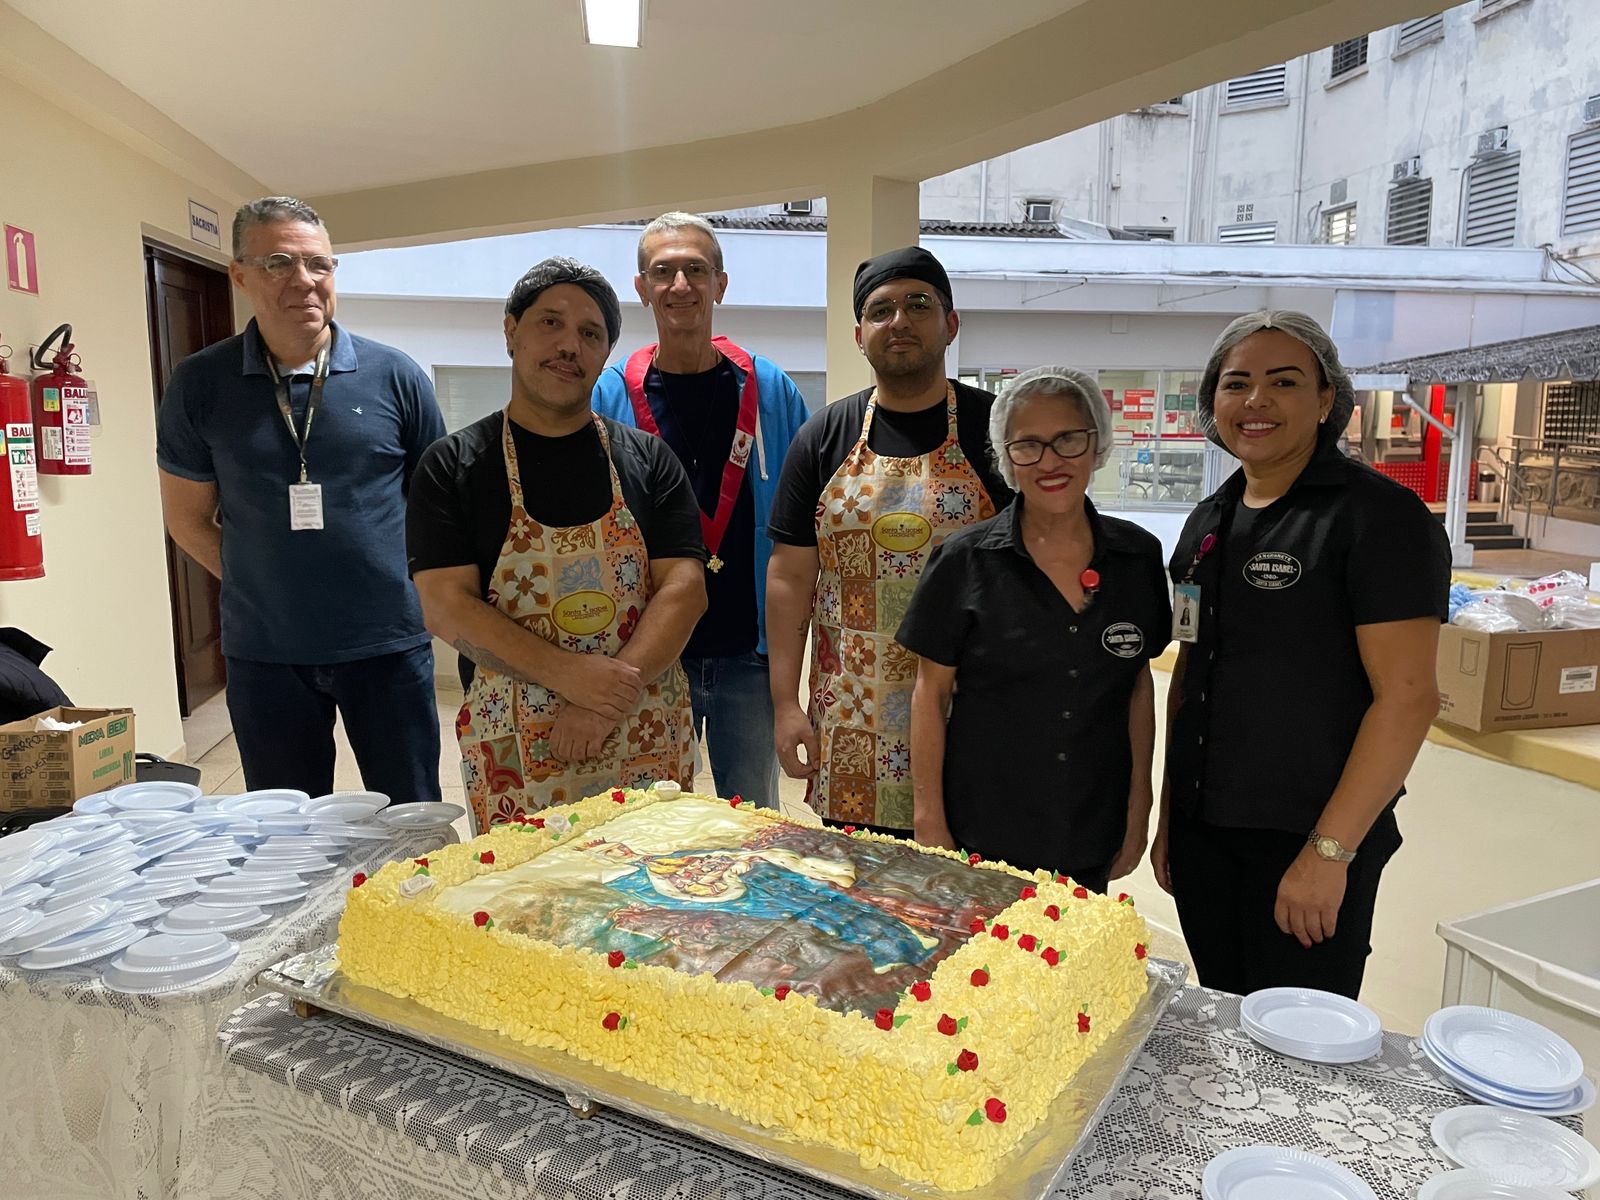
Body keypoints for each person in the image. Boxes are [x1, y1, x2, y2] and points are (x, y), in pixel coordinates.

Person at [1152, 309, 1449, 1000]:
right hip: (1205, 834)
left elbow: (1408, 697)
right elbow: (1191, 673)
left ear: (1325, 399)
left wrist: (1329, 853)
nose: (1256, 400)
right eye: (1236, 384)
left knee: (1299, 1037)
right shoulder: (1207, 521)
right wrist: (1172, 820)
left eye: (1283, 382)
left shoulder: (1376, 518)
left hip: (1308, 839)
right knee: (1224, 1018)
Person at [157, 196, 445, 803]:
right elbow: (186, 519)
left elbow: (435, 511)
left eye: (319, 263)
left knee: (412, 815)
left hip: (387, 643)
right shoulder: (200, 384)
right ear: (240, 275)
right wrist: (261, 581)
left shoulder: (395, 376)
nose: (304, 280)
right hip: (267, 652)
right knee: (285, 826)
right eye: (279, 263)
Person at [407, 257, 706, 828]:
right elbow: (445, 605)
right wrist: (570, 676)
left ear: (605, 354)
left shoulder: (648, 459)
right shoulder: (454, 466)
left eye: (590, 334)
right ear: (511, 331)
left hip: (642, 728)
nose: (570, 345)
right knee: (525, 883)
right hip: (515, 749)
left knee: (651, 879)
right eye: (551, 323)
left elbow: (685, 589)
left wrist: (605, 699)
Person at [766, 246, 1013, 835]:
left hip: (971, 713)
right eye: (881, 310)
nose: (899, 321)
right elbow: (790, 577)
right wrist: (785, 704)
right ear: (860, 335)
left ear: (951, 324)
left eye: (918, 305)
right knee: (859, 885)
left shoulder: (998, 430)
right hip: (853, 719)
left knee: (969, 879)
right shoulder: (822, 436)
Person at [896, 367, 1169, 892]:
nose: (1050, 461)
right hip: (984, 827)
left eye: (1068, 439)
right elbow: (930, 694)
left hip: (1091, 823)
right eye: (1028, 445)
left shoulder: (1137, 558)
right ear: (1006, 457)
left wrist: (1139, 810)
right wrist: (929, 820)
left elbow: (1138, 689)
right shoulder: (963, 561)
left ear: (1097, 444)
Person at [592, 213, 808, 809]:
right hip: (652, 656)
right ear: (642, 289)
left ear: (720, 284)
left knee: (754, 822)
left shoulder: (770, 390)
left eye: (696, 269)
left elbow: (803, 523)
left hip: (749, 655)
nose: (680, 285)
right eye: (664, 272)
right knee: (647, 819)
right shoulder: (609, 395)